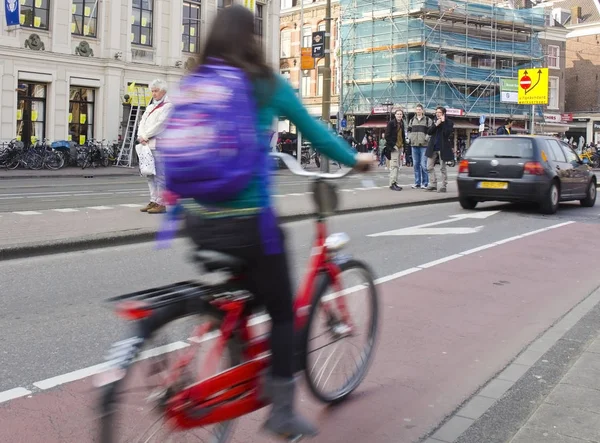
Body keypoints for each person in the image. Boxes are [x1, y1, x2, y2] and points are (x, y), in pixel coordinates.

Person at [180, 6, 374, 440]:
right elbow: (316, 132)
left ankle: (231, 336)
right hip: (246, 223)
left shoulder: (196, 79)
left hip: (196, 220)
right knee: (284, 312)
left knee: (245, 294)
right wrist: (356, 159)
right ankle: (282, 414)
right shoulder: (265, 82)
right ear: (255, 37)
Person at [138, 79, 173, 214]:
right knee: (149, 175)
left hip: (159, 145)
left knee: (160, 175)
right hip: (146, 145)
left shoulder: (168, 106)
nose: (153, 94)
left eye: (156, 91)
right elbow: (142, 122)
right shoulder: (150, 106)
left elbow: (160, 124)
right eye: (152, 91)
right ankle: (154, 200)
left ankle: (161, 203)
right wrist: (141, 136)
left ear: (163, 91)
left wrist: (145, 136)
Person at [425, 106, 454, 193]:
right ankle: (433, 184)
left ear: (443, 114)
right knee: (429, 167)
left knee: (442, 168)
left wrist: (443, 122)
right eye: (436, 112)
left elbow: (447, 133)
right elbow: (429, 132)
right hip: (432, 147)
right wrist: (436, 124)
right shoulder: (434, 121)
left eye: (439, 112)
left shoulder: (449, 122)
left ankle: (443, 186)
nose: (437, 114)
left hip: (442, 147)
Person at [407, 104, 431, 189]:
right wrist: (410, 138)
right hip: (414, 145)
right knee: (416, 165)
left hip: (424, 145)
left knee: (423, 165)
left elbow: (430, 131)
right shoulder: (412, 120)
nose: (418, 111)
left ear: (422, 110)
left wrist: (426, 139)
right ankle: (417, 183)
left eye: (419, 109)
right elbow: (409, 131)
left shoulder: (428, 120)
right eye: (417, 109)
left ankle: (425, 183)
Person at [384, 109, 407, 191]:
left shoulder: (402, 123)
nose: (399, 115)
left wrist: (404, 145)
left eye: (401, 114)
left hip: (400, 146)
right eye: (398, 114)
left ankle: (395, 183)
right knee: (394, 166)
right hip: (394, 147)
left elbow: (403, 135)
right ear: (395, 115)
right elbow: (387, 136)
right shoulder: (391, 123)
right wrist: (393, 145)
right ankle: (392, 183)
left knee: (397, 166)